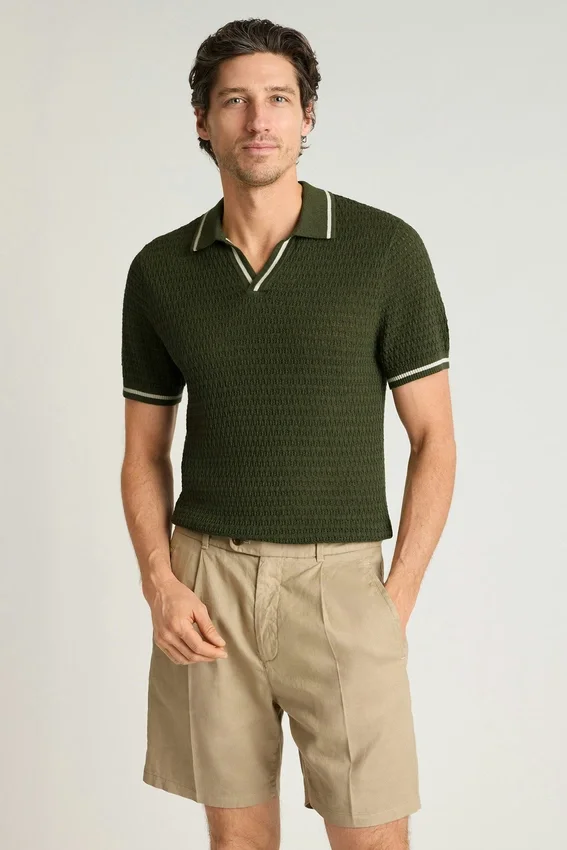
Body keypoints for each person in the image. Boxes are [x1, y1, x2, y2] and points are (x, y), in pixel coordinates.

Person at [121, 17, 456, 850]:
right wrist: (160, 582)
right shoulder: (161, 269)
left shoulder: (382, 251)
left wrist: (396, 597)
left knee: (372, 840)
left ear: (307, 117)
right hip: (207, 581)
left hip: (340, 584)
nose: (258, 119)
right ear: (202, 121)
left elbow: (435, 441)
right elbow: (143, 454)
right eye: (234, 101)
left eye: (277, 99)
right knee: (236, 843)